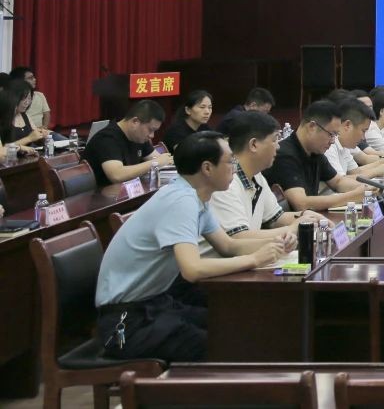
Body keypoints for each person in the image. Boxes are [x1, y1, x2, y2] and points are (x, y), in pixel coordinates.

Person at [95, 131, 291, 363]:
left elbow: (228, 246)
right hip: (126, 322)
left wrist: (276, 244)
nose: (235, 167)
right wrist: (255, 259)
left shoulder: (195, 196)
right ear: (207, 168)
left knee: (238, 324)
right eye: (230, 161)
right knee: (230, 344)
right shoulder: (181, 201)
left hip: (156, 304)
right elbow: (192, 269)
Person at [205, 111, 323, 253]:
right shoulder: (225, 182)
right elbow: (238, 237)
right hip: (222, 263)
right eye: (274, 140)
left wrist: (306, 216)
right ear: (254, 144)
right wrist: (294, 228)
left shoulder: (257, 175)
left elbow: (276, 218)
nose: (278, 146)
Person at [263, 100, 370, 211]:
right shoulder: (284, 155)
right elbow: (301, 203)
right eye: (331, 134)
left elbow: (338, 182)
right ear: (312, 127)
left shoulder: (315, 151)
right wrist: (351, 196)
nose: (333, 141)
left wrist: (367, 189)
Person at [83, 100, 175, 187]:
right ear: (135, 122)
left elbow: (158, 159)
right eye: (150, 130)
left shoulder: (139, 137)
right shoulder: (107, 138)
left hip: (127, 193)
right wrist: (155, 163)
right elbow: (116, 175)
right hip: (102, 196)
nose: (152, 135)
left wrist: (168, 162)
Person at [322, 99, 384, 187]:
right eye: (363, 131)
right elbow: (341, 182)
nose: (363, 138)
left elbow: (356, 171)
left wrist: (381, 163)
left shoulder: (344, 144)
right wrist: (376, 171)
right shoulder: (329, 146)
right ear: (347, 125)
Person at [1, 79, 51, 150]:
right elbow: (2, 149)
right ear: (13, 98)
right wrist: (29, 138)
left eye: (29, 98)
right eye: (23, 99)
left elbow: (35, 138)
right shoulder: (3, 117)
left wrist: (42, 136)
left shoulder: (25, 116)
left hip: (29, 155)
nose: (27, 102)